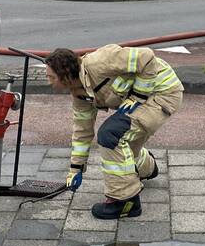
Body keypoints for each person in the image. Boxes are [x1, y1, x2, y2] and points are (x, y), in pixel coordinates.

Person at [45, 44, 184, 220]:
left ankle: (126, 201)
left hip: (162, 92)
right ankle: (146, 167)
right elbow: (82, 131)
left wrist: (138, 96)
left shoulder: (100, 61)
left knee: (111, 136)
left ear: (65, 74)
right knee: (122, 139)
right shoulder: (79, 93)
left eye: (51, 77)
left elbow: (146, 57)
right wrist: (76, 168)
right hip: (144, 101)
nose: (48, 82)